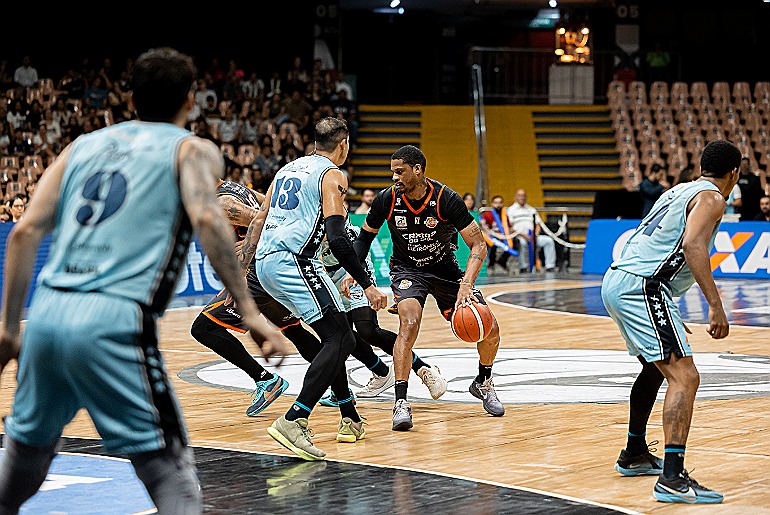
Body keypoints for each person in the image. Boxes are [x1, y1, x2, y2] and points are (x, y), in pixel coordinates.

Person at [0, 47, 289, 515]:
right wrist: (250, 312)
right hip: (115, 320)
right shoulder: (191, 148)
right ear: (191, 100)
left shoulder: (82, 146)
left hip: (48, 316)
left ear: (129, 96)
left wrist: (10, 327)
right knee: (171, 474)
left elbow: (25, 232)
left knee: (24, 462)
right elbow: (208, 219)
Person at [601, 140, 742, 504]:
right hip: (642, 286)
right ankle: (672, 477)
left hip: (623, 280)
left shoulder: (679, 190)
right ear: (735, 173)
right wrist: (715, 305)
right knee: (685, 375)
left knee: (655, 368)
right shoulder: (713, 198)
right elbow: (693, 246)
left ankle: (633, 453)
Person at [239, 117, 388, 461]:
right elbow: (337, 236)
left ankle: (349, 417)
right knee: (342, 337)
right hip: (295, 260)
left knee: (335, 336)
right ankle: (295, 419)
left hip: (266, 263)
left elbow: (260, 219)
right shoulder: (333, 175)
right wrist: (367, 284)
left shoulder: (286, 169)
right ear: (343, 144)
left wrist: (246, 268)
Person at [353, 145, 505, 431]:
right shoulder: (386, 199)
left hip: (446, 270)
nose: (394, 177)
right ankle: (401, 402)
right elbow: (363, 240)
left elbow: (479, 244)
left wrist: (466, 285)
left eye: (400, 172)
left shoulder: (446, 199)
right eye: (392, 172)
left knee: (489, 327)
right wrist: (355, 273)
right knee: (408, 323)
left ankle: (483, 381)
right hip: (407, 270)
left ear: (418, 170)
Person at [317, 218, 440, 404]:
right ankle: (369, 378)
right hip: (332, 276)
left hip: (355, 269)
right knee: (342, 335)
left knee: (367, 330)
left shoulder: (329, 200)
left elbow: (330, 230)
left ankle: (422, 368)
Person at [506, 189, 556, 273]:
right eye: (519, 195)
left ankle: (550, 266)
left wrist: (535, 234)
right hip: (519, 236)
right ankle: (523, 267)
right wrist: (523, 235)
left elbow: (538, 224)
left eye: (523, 195)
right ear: (515, 197)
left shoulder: (531, 210)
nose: (522, 198)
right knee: (521, 243)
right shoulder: (510, 210)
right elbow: (509, 227)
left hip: (533, 236)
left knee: (549, 241)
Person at [479, 195, 518, 275]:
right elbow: (484, 228)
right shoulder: (487, 215)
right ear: (492, 204)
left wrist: (511, 232)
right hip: (492, 237)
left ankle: (502, 261)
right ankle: (491, 264)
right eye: (496, 203)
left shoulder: (504, 216)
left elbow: (509, 228)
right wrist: (495, 236)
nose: (498, 205)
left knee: (516, 241)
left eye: (500, 203)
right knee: (492, 244)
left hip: (504, 237)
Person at [736, 157, 764, 222]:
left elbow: (758, 193)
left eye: (745, 164)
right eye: (742, 164)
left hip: (751, 208)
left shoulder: (754, 178)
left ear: (749, 165)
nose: (744, 166)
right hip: (739, 208)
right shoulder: (736, 178)